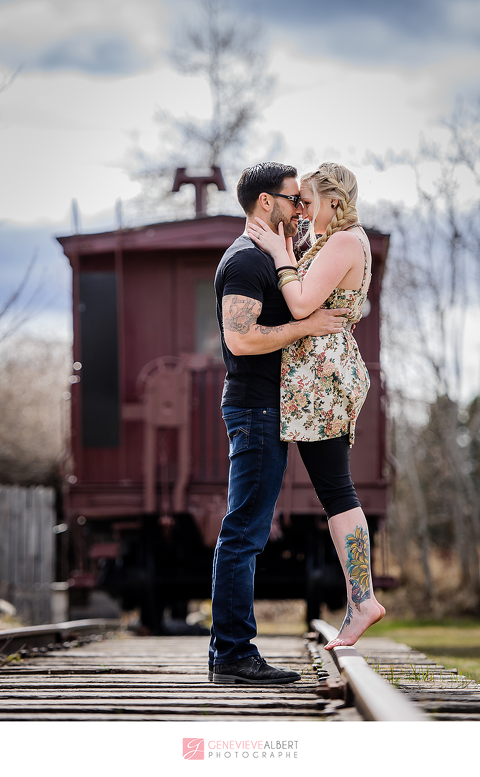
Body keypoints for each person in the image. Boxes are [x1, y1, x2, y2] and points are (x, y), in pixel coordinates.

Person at [210, 162, 350, 683]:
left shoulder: (269, 255)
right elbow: (241, 340)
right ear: (265, 203)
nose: (301, 209)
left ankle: (227, 651)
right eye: (294, 200)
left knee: (245, 530)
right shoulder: (246, 260)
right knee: (243, 531)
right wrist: (307, 326)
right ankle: (233, 655)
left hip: (269, 409)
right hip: (255, 409)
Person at [246, 162, 385, 650]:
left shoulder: (347, 242)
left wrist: (280, 254)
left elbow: (303, 303)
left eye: (306, 200)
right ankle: (360, 600)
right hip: (316, 376)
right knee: (334, 490)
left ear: (333, 201)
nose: (300, 208)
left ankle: (363, 600)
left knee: (336, 490)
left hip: (322, 378)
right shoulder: (332, 241)